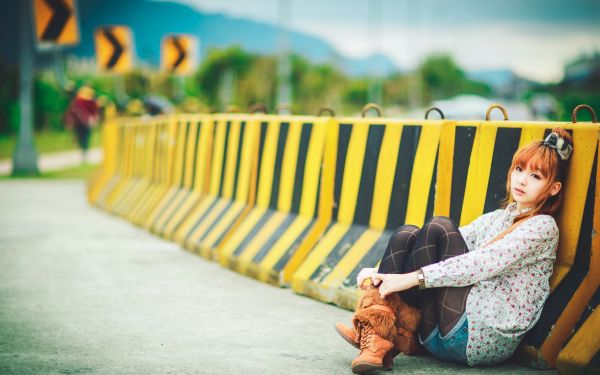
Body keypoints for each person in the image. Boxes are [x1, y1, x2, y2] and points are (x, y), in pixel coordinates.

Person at [335, 128, 574, 373]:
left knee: (439, 226)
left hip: (478, 336)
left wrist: (407, 279)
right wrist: (379, 272)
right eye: (519, 169)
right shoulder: (500, 218)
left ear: (554, 188)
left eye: (536, 177)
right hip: (439, 331)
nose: (522, 180)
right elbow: (439, 243)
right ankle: (375, 338)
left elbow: (478, 264)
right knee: (407, 234)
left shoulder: (543, 228)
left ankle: (377, 336)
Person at [65, 85, 100, 163]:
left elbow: (72, 112)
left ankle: (84, 151)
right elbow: (94, 111)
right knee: (85, 137)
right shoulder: (88, 100)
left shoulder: (78, 101)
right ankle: (84, 151)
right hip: (84, 122)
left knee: (83, 137)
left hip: (81, 122)